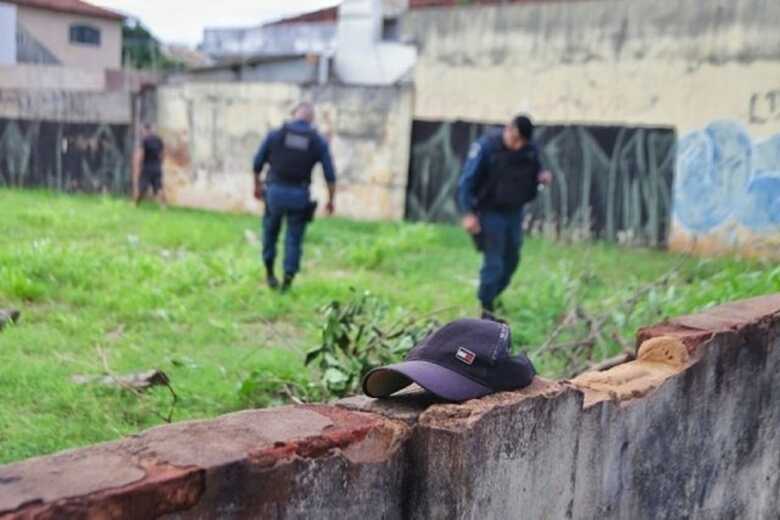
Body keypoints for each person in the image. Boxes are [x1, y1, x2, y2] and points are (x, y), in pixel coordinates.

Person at [457, 114, 553, 320]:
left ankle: (493, 294)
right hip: (489, 212)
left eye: (522, 142)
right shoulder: (486, 147)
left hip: (514, 213)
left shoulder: (528, 149)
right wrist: (468, 214)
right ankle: (486, 308)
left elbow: (536, 170)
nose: (518, 146)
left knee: (512, 259)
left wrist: (542, 177)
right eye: (515, 140)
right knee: (495, 262)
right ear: (508, 130)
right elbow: (466, 182)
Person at [252, 102, 336, 291]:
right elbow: (330, 174)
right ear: (311, 118)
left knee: (270, 233)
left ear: (294, 114)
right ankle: (287, 282)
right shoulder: (317, 141)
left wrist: (256, 186)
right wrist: (331, 200)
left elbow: (257, 163)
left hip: (274, 193)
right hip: (299, 195)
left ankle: (270, 274)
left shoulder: (276, 135)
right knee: (294, 239)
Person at [134, 124, 167, 207]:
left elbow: (141, 154)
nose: (142, 133)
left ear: (145, 130)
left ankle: (135, 204)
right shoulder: (159, 139)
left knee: (142, 186)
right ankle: (163, 206)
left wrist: (138, 166)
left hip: (147, 167)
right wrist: (159, 163)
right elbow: (162, 154)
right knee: (159, 187)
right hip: (157, 167)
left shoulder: (144, 140)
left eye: (142, 131)